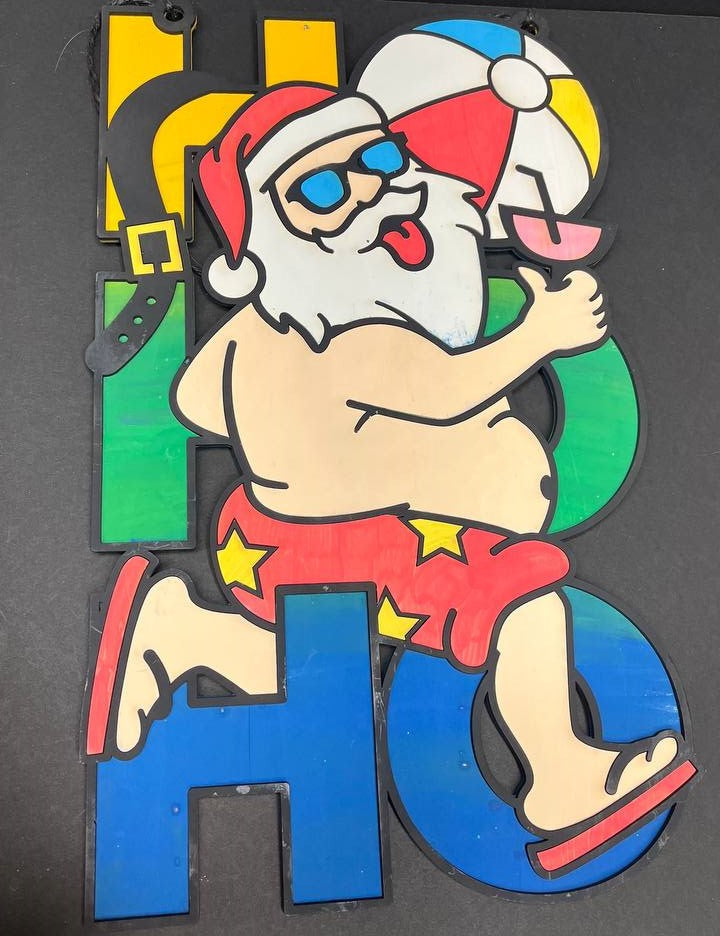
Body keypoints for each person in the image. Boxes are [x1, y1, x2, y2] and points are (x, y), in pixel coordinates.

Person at [90, 84, 687, 854]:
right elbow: (446, 389)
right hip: (355, 543)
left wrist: (313, 444)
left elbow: (198, 403)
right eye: (321, 190)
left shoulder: (247, 333)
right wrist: (543, 333)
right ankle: (561, 777)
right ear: (271, 233)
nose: (368, 191)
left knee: (324, 666)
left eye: (376, 159)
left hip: (260, 540)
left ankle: (183, 632)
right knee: (526, 607)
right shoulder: (357, 336)